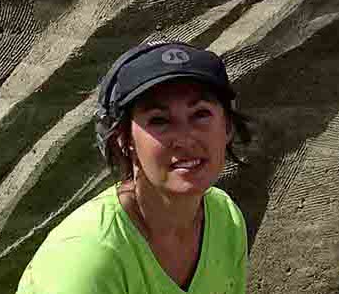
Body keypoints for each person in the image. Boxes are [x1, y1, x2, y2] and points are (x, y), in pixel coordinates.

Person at [16, 42, 250, 293]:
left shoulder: (225, 218)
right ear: (124, 140)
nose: (185, 139)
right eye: (159, 120)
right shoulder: (88, 256)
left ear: (227, 127)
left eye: (200, 114)